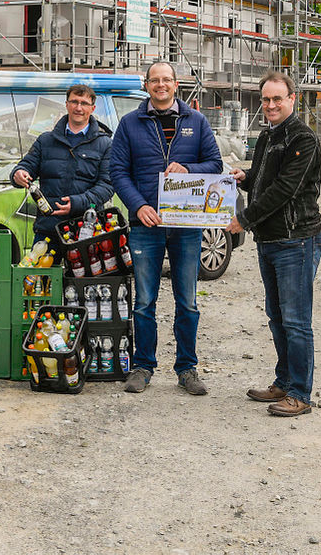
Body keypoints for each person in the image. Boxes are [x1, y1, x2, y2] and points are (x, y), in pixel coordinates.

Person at [110, 61, 223, 395]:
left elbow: (215, 164)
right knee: (144, 301)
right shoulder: (130, 124)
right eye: (154, 80)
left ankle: (187, 369)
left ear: (176, 85)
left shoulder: (197, 121)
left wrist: (188, 167)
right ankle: (143, 366)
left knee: (187, 300)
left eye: (167, 80)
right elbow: (118, 171)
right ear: (146, 86)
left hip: (187, 225)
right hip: (147, 224)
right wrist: (138, 205)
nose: (161, 85)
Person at [227, 70, 321, 417]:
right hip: (270, 240)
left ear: (291, 100)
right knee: (277, 316)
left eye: (277, 99)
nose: (270, 105)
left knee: (296, 320)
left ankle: (300, 393)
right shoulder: (269, 137)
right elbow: (267, 179)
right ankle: (284, 382)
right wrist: (246, 177)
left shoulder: (304, 139)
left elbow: (286, 190)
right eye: (266, 99)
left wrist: (245, 219)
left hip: (296, 240)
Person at [10, 84, 114, 240]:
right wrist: (18, 173)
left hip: (87, 229)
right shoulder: (46, 140)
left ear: (92, 109)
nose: (78, 108)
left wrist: (78, 203)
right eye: (74, 102)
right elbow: (26, 166)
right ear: (66, 105)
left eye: (84, 103)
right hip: (48, 228)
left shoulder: (105, 144)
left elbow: (107, 185)